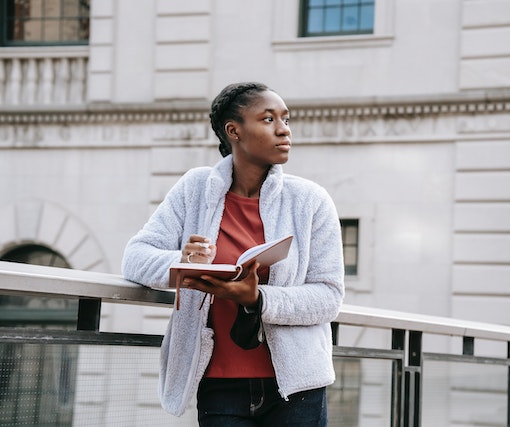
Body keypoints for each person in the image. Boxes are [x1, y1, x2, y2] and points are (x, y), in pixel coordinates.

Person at [121, 82, 345, 426]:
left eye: (286, 119)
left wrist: (259, 299)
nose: (284, 129)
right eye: (268, 119)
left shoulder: (310, 201)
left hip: (298, 389)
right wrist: (183, 263)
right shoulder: (194, 188)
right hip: (219, 386)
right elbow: (135, 257)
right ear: (234, 131)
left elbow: (328, 296)